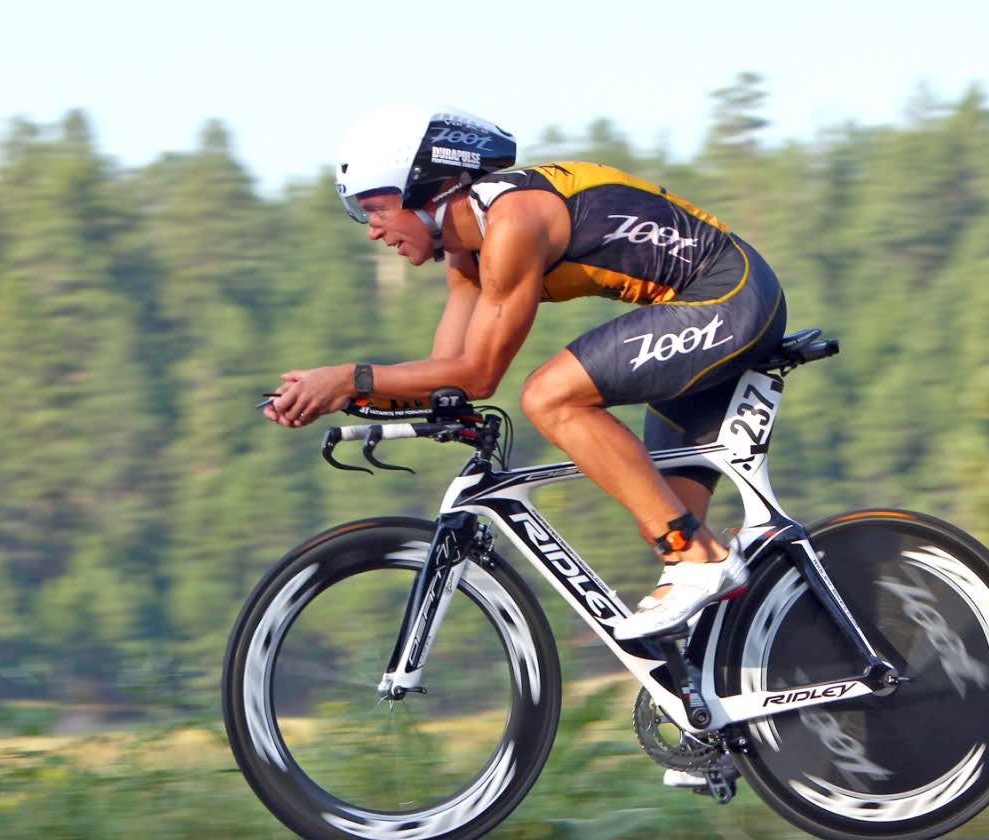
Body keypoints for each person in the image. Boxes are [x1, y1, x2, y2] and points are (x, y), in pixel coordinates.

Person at [263, 107, 787, 640]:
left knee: (550, 397)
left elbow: (479, 376)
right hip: (697, 316)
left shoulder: (513, 222)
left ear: (428, 187)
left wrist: (351, 378)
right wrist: (338, 395)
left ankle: (702, 559)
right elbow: (446, 377)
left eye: (376, 208)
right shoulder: (467, 251)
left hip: (730, 299)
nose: (372, 230)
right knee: (664, 520)